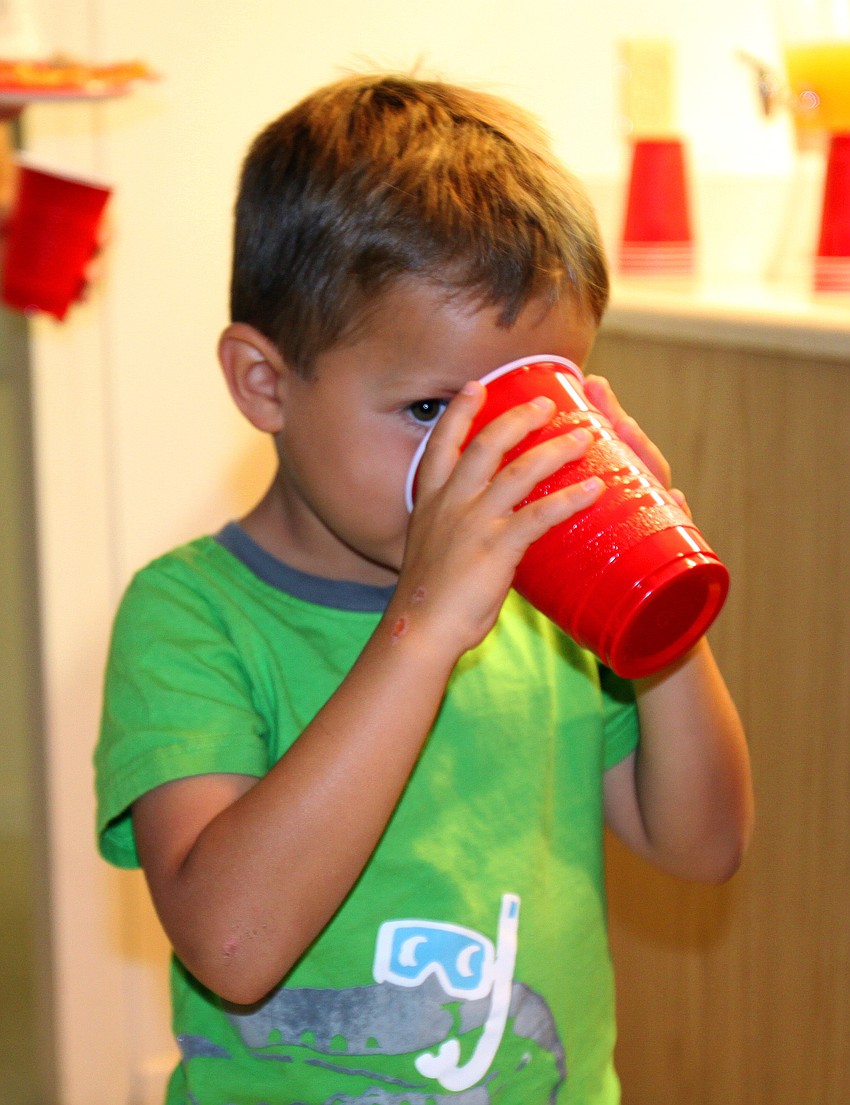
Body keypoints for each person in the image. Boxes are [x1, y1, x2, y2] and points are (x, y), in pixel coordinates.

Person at [95, 72, 753, 1105]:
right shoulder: (191, 618)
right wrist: (425, 628)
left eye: (536, 402)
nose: (478, 459)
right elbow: (231, 943)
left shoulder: (549, 615)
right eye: (431, 408)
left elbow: (704, 843)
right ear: (264, 383)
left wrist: (650, 588)